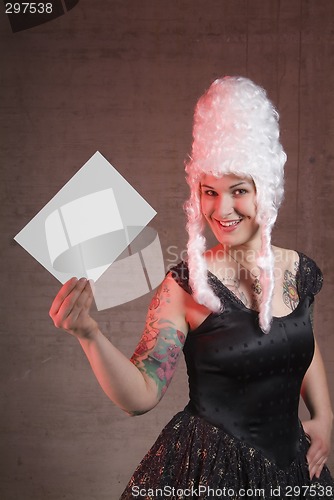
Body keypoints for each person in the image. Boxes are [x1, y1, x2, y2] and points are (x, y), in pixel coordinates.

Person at [50, 76, 334, 499]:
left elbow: (298, 342)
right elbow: (141, 395)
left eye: (238, 190)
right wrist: (89, 335)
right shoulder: (183, 287)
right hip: (211, 473)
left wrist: (324, 415)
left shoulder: (297, 271)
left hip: (291, 473)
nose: (222, 209)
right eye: (209, 192)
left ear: (266, 190)